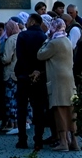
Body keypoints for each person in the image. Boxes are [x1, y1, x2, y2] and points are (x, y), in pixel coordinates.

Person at [38, 20, 77, 151]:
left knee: (59, 110)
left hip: (57, 81)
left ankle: (63, 142)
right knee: (70, 111)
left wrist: (46, 40)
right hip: (69, 79)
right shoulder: (67, 40)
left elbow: (40, 55)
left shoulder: (53, 42)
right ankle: (74, 141)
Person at [14, 14, 49, 150]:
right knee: (39, 110)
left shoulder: (23, 36)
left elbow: (20, 56)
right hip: (39, 77)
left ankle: (22, 139)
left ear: (32, 21)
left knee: (22, 109)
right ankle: (38, 141)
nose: (26, 23)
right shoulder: (44, 37)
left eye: (28, 21)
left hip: (24, 76)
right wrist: (37, 71)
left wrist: (28, 72)